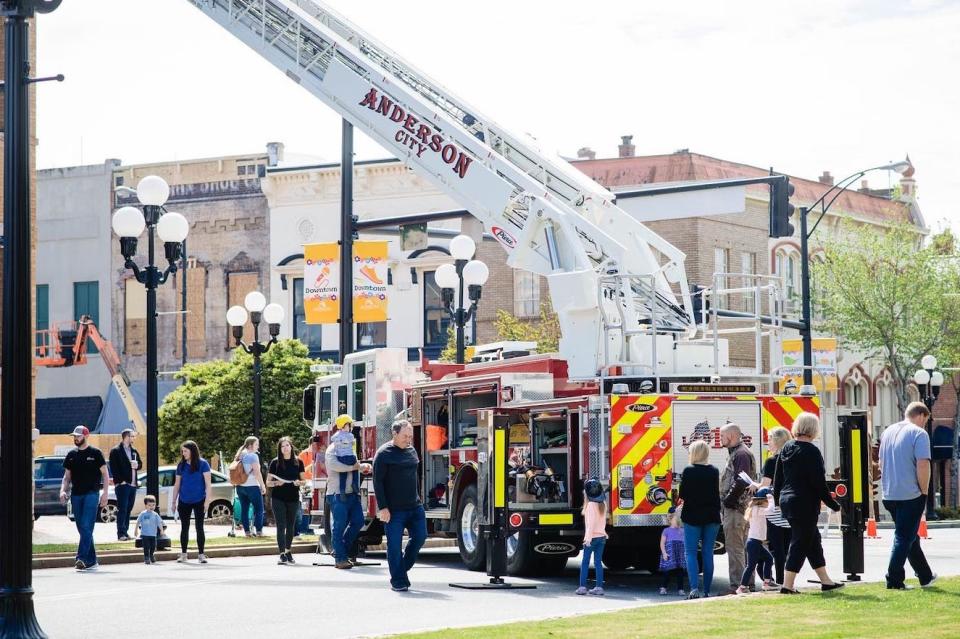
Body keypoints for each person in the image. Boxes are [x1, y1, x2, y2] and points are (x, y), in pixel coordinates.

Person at [773, 412, 843, 593]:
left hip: (787, 500)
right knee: (800, 542)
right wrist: (833, 505)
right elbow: (819, 483)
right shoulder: (812, 451)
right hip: (804, 503)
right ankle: (787, 586)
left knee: (812, 540)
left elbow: (778, 477)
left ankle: (826, 581)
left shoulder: (787, 448)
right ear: (813, 430)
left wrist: (777, 501)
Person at [879, 401, 937, 590]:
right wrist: (924, 491)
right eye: (925, 421)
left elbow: (881, 463)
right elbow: (922, 464)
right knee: (904, 537)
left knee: (910, 536)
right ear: (921, 415)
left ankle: (925, 576)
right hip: (910, 494)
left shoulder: (887, 432)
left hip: (889, 493)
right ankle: (894, 580)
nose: (924, 424)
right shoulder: (919, 433)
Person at [373, 420, 426, 592]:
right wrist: (383, 508)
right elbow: (378, 482)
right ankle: (398, 581)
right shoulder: (383, 454)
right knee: (394, 546)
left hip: (415, 506)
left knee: (420, 537)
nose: (408, 440)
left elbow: (415, 476)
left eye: (410, 436)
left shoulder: (412, 450)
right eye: (405, 436)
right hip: (394, 510)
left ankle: (402, 568)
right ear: (394, 434)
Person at [60, 425, 110, 571]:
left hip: (91, 494)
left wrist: (105, 493)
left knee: (87, 526)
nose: (76, 438)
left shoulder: (96, 453)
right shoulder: (71, 455)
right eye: (74, 436)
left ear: (86, 436)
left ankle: (81, 558)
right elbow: (66, 477)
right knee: (82, 528)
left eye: (78, 436)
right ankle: (92, 560)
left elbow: (106, 475)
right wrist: (63, 490)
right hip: (76, 495)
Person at [326, 415, 370, 569]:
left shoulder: (350, 448)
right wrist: (355, 467)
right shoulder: (333, 448)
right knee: (339, 526)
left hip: (352, 493)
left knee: (358, 522)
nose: (349, 427)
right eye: (347, 425)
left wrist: (363, 467)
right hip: (337, 494)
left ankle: (340, 549)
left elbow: (354, 465)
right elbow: (334, 466)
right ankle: (340, 559)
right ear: (341, 426)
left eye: (350, 425)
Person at [678, 440, 721, 599]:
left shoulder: (689, 471)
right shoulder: (714, 471)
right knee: (708, 552)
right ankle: (707, 590)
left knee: (690, 552)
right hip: (712, 516)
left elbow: (683, 495)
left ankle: (694, 588)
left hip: (692, 516)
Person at [719, 422, 756, 593]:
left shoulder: (741, 454)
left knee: (735, 549)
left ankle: (737, 587)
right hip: (740, 508)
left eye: (722, 436)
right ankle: (747, 584)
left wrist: (728, 500)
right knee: (742, 548)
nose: (719, 439)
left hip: (736, 509)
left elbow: (742, 480)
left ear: (732, 436)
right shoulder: (738, 453)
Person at [758, 426, 793, 585]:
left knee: (776, 548)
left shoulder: (772, 461)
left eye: (770, 439)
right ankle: (788, 579)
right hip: (790, 508)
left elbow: (765, 486)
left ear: (777, 441)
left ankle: (779, 581)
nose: (768, 442)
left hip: (774, 510)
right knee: (787, 548)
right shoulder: (792, 459)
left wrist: (754, 486)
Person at [170, 440, 212, 564]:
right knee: (184, 527)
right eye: (182, 451)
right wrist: (173, 501)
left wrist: (207, 501)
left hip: (199, 499)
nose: (183, 453)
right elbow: (177, 484)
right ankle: (183, 554)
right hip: (184, 500)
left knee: (200, 527)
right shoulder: (181, 465)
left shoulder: (203, 464)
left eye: (185, 451)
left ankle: (201, 554)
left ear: (192, 451)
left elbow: (208, 484)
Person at [268, 436, 306, 565]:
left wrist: (298, 483)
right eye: (282, 446)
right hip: (278, 497)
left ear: (291, 446)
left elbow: (303, 481)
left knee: (291, 526)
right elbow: (268, 482)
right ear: (280, 449)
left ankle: (288, 550)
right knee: (281, 525)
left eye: (287, 445)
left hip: (293, 497)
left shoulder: (298, 462)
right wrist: (276, 483)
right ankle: (281, 554)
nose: (285, 448)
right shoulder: (275, 462)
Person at [736, 488, 777, 594]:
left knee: (768, 559)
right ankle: (742, 587)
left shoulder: (756, 509)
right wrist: (771, 498)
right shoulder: (758, 510)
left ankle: (767, 582)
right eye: (766, 501)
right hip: (754, 542)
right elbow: (771, 510)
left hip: (755, 542)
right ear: (763, 500)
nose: (768, 504)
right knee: (751, 566)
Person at [108, 428, 141, 541]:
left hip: (132, 485)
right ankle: (120, 533)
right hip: (123, 485)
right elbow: (113, 467)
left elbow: (140, 465)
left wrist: (137, 465)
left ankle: (125, 532)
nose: (134, 438)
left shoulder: (134, 451)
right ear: (126, 437)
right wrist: (120, 481)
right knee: (122, 509)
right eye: (132, 436)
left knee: (128, 508)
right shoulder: (116, 451)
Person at [577, 477, 608, 596]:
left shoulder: (590, 506)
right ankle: (599, 587)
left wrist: (588, 539)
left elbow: (591, 525)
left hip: (592, 538)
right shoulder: (603, 505)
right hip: (602, 537)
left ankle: (582, 587)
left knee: (585, 562)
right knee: (598, 563)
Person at [235, 436, 267, 536]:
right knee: (259, 509)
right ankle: (259, 531)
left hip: (240, 486)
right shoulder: (253, 456)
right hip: (252, 486)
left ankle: (247, 532)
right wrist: (262, 485)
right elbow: (257, 473)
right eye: (256, 444)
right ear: (250, 445)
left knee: (244, 509)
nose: (258, 446)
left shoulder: (240, 455)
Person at [658, 508, 686, 596]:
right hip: (669, 554)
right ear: (670, 519)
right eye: (676, 519)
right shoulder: (666, 531)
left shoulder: (682, 531)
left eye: (679, 519)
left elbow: (685, 544)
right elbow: (662, 543)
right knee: (667, 572)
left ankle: (681, 589)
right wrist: (664, 553)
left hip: (680, 555)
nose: (678, 521)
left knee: (680, 572)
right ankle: (663, 588)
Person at [134, 495, 165, 564]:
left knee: (153, 546)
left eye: (153, 505)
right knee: (146, 546)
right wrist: (136, 530)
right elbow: (138, 522)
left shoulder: (155, 514)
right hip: (145, 534)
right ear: (145, 505)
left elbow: (159, 523)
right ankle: (146, 557)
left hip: (153, 534)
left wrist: (161, 530)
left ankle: (151, 555)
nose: (151, 507)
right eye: (149, 505)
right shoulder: (143, 514)